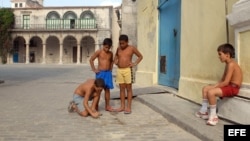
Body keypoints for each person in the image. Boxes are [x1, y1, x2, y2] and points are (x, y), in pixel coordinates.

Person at [195, 43, 243, 126]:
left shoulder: (231, 64)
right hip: (228, 86)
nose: (219, 56)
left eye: (220, 54)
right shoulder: (227, 64)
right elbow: (222, 80)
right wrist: (214, 85)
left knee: (211, 92)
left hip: (233, 88)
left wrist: (214, 87)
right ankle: (204, 111)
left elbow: (226, 82)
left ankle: (213, 116)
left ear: (227, 55)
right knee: (205, 88)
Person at [113, 34, 143, 114]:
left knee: (129, 89)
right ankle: (122, 106)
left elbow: (140, 56)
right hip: (120, 70)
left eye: (123, 43)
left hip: (128, 70)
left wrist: (134, 63)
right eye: (120, 43)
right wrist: (115, 61)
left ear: (127, 42)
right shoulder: (118, 49)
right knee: (121, 89)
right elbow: (115, 56)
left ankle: (128, 107)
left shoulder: (132, 48)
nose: (121, 45)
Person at [89, 38, 114, 112]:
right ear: (103, 45)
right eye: (106, 47)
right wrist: (94, 69)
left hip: (108, 73)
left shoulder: (110, 53)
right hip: (100, 73)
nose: (107, 49)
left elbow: (112, 61)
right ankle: (96, 106)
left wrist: (111, 69)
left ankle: (107, 106)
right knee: (98, 90)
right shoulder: (99, 52)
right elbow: (91, 59)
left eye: (108, 47)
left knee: (107, 90)